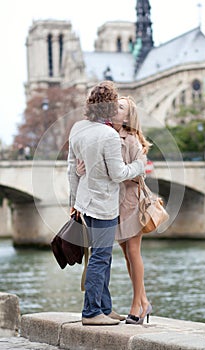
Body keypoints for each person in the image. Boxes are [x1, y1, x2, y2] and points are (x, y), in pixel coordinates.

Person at [67, 81, 146, 326]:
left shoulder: (78, 128)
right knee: (101, 258)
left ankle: (104, 307)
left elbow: (72, 168)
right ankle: (92, 312)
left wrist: (73, 200)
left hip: (84, 201)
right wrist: (139, 165)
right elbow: (118, 173)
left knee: (101, 257)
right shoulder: (109, 135)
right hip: (103, 205)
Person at [112, 96, 152, 325]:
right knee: (127, 254)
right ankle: (144, 301)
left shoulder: (132, 141)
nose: (115, 108)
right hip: (117, 202)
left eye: (120, 106)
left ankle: (137, 305)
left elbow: (140, 173)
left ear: (127, 116)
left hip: (130, 201)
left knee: (134, 252)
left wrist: (118, 172)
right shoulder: (111, 136)